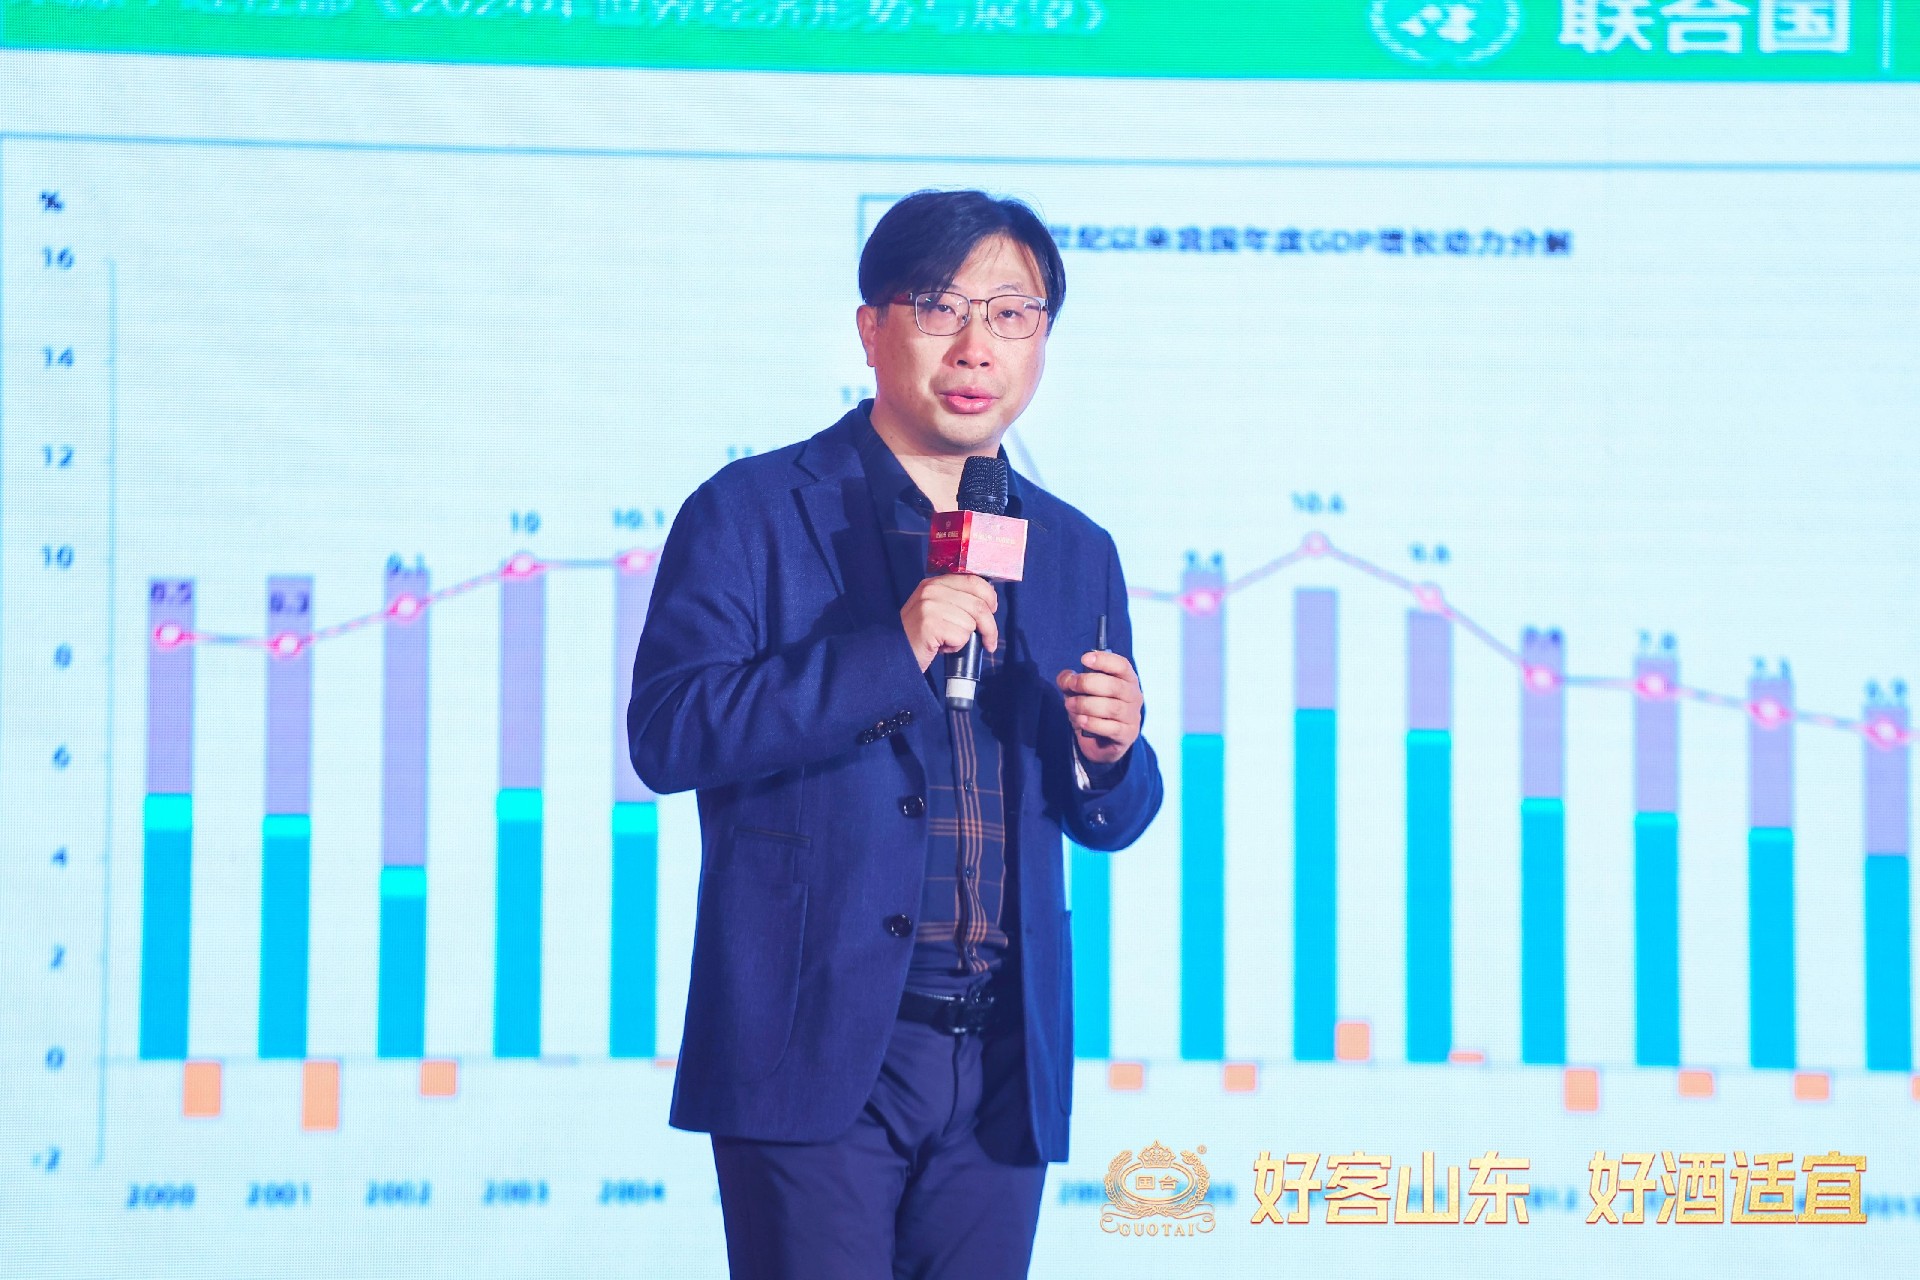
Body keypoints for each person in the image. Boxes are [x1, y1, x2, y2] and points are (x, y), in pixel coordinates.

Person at [627, 188, 1163, 1279]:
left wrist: (1110, 755)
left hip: (1002, 1060)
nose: (977, 347)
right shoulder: (752, 511)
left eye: (1012, 314)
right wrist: (891, 649)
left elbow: (1107, 816)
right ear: (872, 328)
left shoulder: (1074, 546)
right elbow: (670, 732)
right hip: (812, 1041)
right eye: (940, 308)